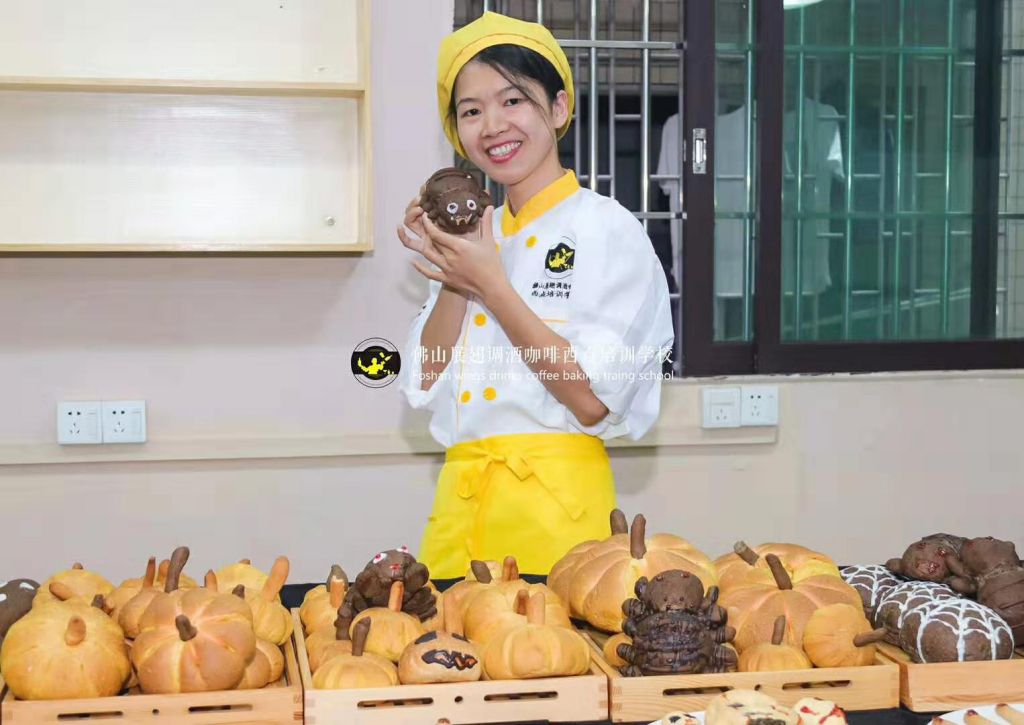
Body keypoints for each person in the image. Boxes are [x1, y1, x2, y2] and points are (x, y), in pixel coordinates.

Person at [397, 11, 673, 579]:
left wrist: (492, 286)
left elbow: (593, 401)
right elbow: (426, 379)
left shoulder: (608, 230)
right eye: (471, 111)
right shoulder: (475, 237)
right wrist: (454, 269)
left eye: (513, 100)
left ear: (559, 107)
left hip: (558, 520)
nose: (493, 125)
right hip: (460, 512)